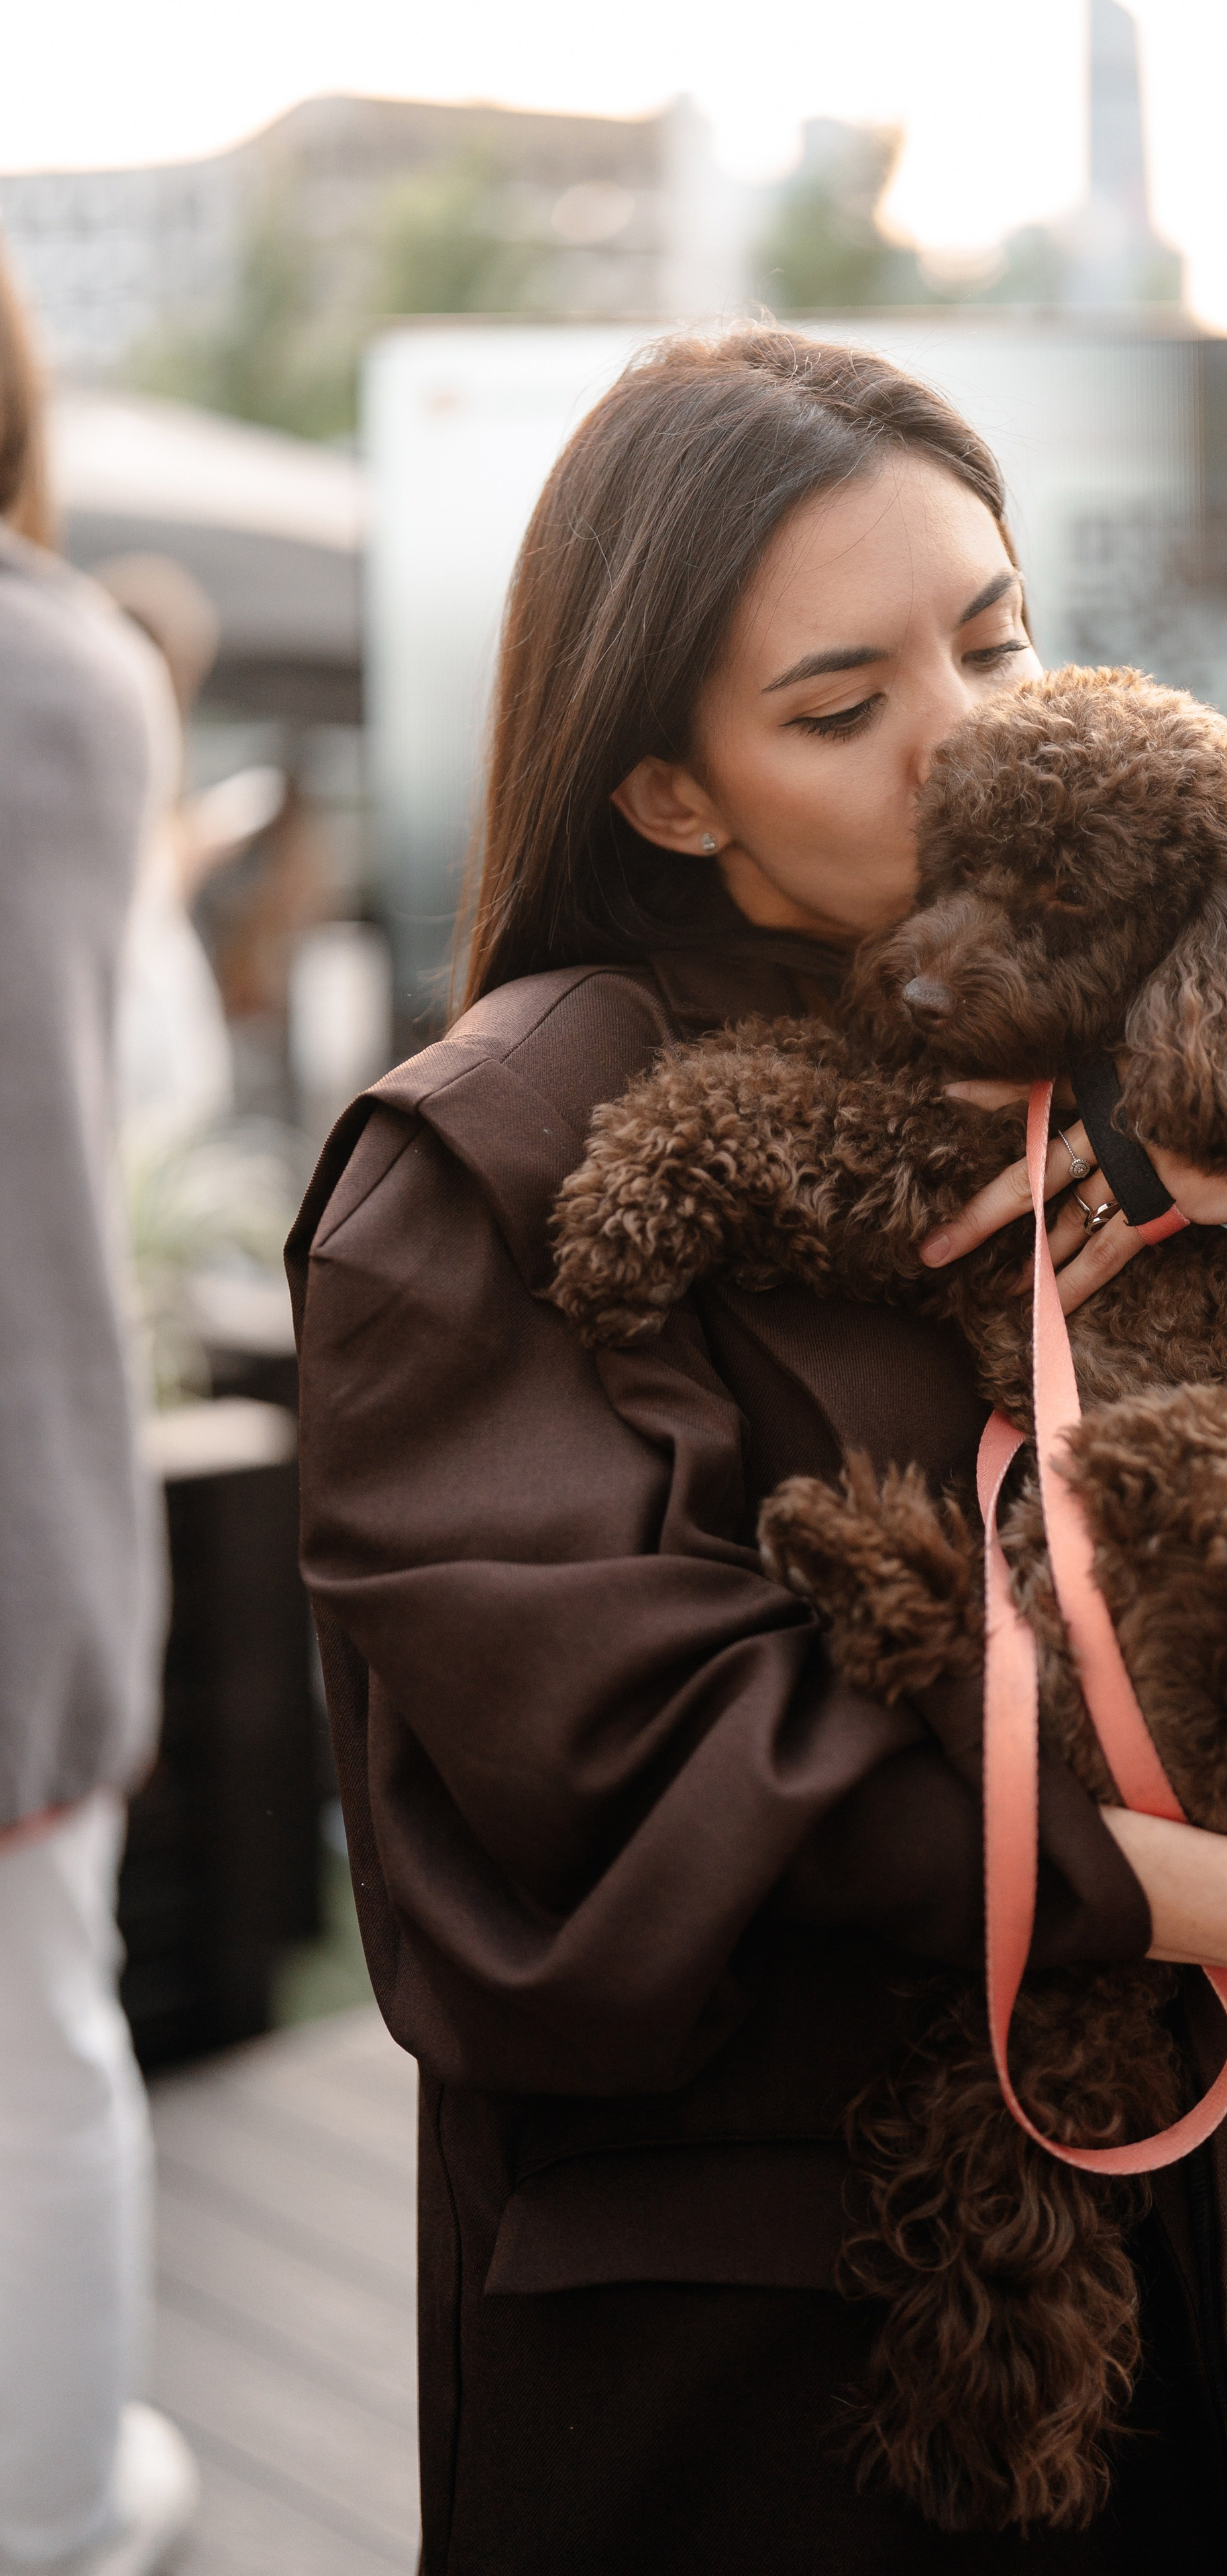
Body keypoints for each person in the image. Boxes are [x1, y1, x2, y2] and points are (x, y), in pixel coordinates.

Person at [289, 325, 1227, 2574]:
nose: (965, 745)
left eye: (1000, 638)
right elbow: (626, 1770)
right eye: (841, 709)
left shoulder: (1159, 1021)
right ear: (665, 787)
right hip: (795, 2373)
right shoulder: (500, 1155)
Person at [0, 246, 199, 2572]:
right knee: (39, 2048)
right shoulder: (78, 682)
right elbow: (139, 1080)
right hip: (24, 1499)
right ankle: (55, 2517)